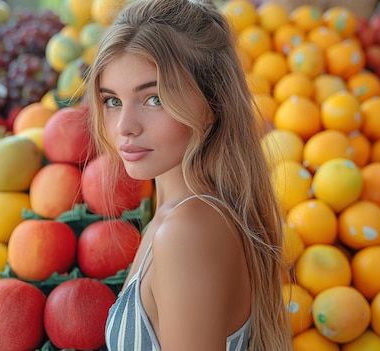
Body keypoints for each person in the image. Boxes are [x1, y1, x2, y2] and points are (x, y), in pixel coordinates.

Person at [84, 0, 293, 350]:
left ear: (213, 104)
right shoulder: (181, 214)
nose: (125, 127)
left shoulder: (186, 234)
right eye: (112, 101)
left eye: (154, 99)